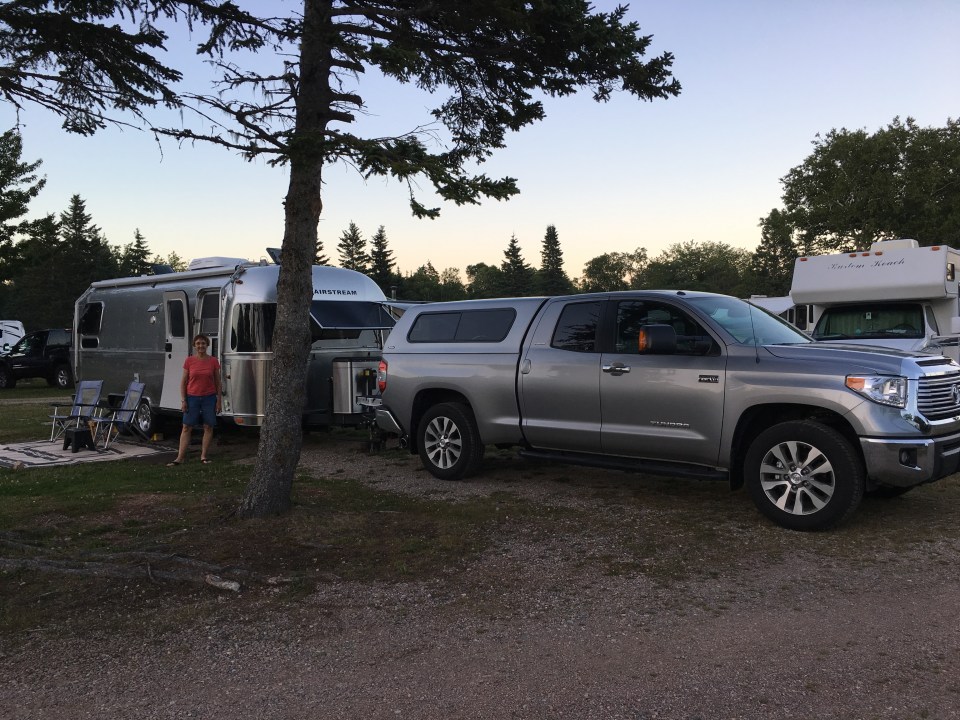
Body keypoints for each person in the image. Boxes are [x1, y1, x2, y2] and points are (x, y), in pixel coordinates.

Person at [167, 334, 222, 466]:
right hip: (192, 397)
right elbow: (183, 382)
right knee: (186, 427)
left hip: (209, 397)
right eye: (198, 343)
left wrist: (218, 401)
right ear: (194, 345)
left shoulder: (213, 361)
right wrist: (183, 400)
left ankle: (203, 456)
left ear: (207, 345)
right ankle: (179, 458)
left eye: (203, 343)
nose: (201, 346)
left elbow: (218, 382)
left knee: (208, 426)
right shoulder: (189, 361)